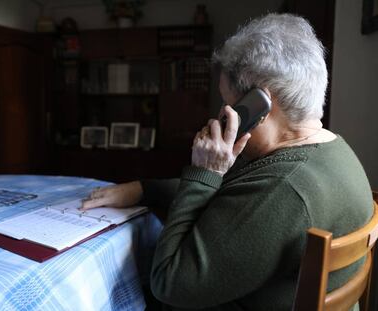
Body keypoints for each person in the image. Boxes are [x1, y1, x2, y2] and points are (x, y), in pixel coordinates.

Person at [81, 13, 373, 310]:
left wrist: (204, 170)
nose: (222, 110)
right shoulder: (332, 150)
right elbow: (232, 192)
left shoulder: (282, 189)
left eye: (228, 101)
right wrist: (144, 189)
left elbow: (168, 284)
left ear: (258, 105)